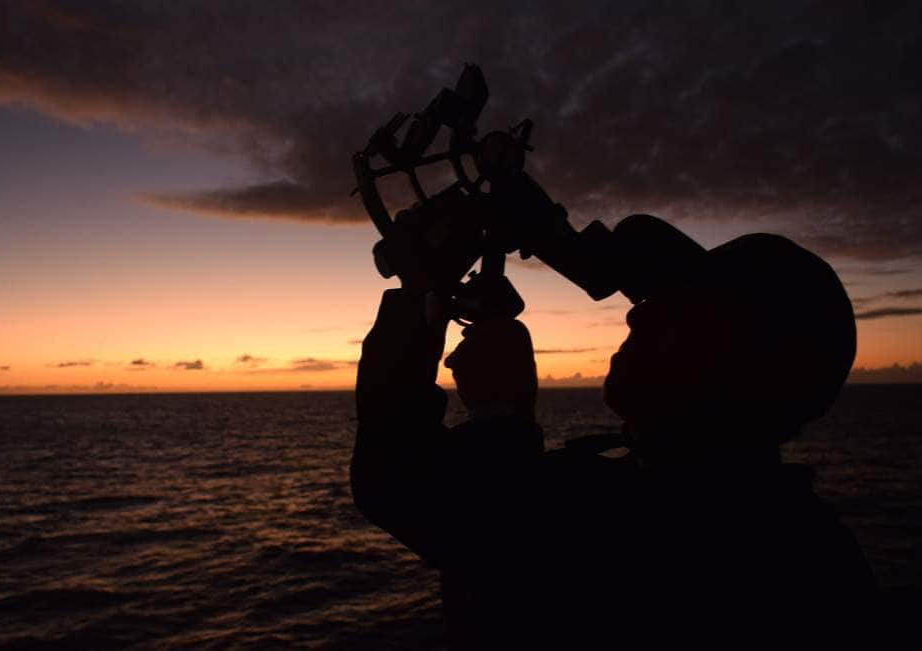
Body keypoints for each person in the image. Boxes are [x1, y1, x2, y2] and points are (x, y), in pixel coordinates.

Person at [351, 175, 878, 647]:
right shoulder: (813, 551)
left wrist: (497, 411)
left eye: (675, 312)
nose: (634, 317)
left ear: (737, 362)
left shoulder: (635, 530)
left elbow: (400, 484)